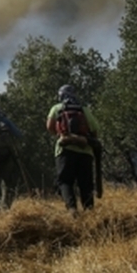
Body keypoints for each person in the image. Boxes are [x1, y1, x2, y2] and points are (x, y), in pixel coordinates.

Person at [45, 85, 101, 214]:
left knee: (65, 181)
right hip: (85, 150)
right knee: (85, 183)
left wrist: (60, 135)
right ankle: (89, 211)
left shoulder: (57, 108)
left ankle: (72, 209)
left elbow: (49, 126)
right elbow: (95, 130)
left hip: (64, 149)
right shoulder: (84, 109)